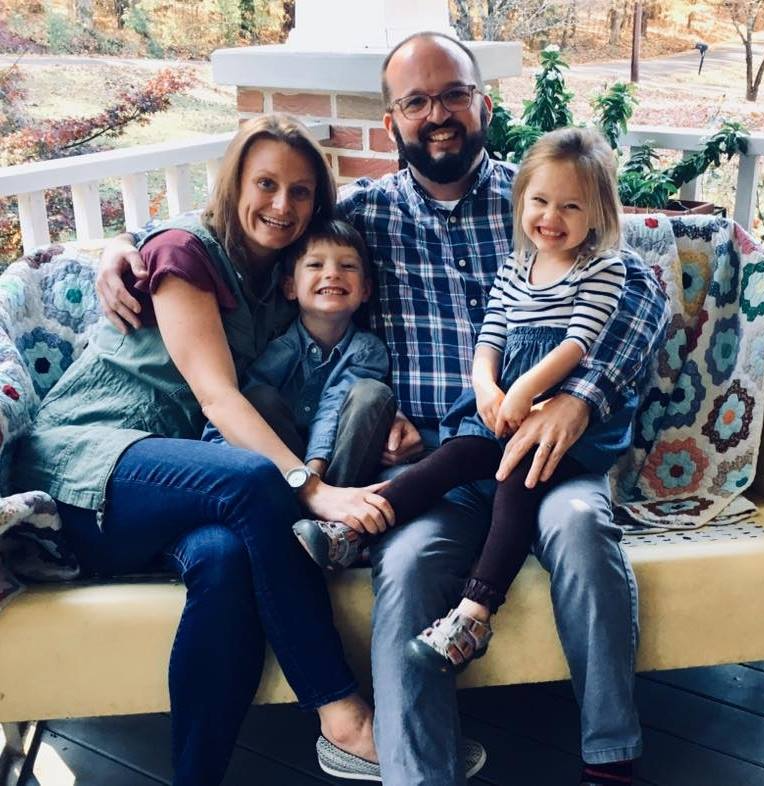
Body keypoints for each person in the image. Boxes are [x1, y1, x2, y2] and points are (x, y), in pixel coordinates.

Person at [96, 32, 670, 786]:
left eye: (453, 95)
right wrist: (126, 244)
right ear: (392, 120)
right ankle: (412, 772)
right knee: (400, 569)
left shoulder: (539, 197)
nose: (437, 114)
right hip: (438, 461)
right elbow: (237, 228)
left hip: (549, 452)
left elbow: (646, 289)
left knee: (580, 531)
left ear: (482, 104)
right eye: (415, 101)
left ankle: (609, 758)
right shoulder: (363, 213)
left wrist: (579, 400)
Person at [13, 114, 395, 786]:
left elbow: (317, 367)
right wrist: (315, 489)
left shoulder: (277, 283)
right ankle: (340, 713)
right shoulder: (187, 251)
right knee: (251, 482)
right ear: (233, 183)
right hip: (88, 461)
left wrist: (396, 421)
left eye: (301, 192)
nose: (282, 205)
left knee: (224, 559)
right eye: (266, 184)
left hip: (167, 489)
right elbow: (218, 399)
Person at [294, 126, 636, 677]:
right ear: (520, 199)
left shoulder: (603, 269)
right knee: (451, 457)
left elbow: (577, 342)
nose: (551, 217)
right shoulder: (515, 266)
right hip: (506, 407)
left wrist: (524, 393)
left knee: (515, 477)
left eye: (571, 206)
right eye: (540, 201)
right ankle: (352, 531)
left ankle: (475, 613)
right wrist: (487, 386)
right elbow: (491, 336)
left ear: (597, 215)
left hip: (562, 426)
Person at [201, 218, 396, 492]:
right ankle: (296, 504)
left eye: (348, 266)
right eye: (316, 265)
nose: (332, 274)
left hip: (341, 464)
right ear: (290, 287)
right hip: (282, 460)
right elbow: (243, 404)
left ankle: (332, 512)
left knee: (371, 393)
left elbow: (334, 404)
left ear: (365, 290)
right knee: (258, 396)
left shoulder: (368, 351)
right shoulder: (280, 347)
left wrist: (315, 473)